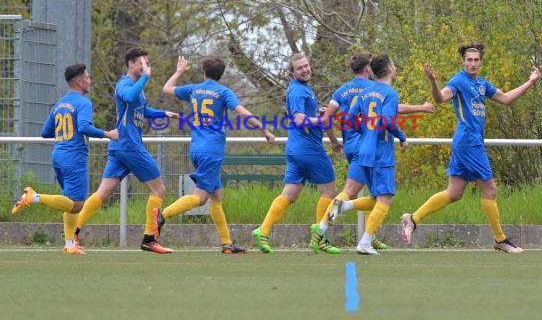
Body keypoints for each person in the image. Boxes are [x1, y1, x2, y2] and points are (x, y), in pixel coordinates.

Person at [400, 44, 541, 253]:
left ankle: (413, 218)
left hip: (465, 142)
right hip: (469, 143)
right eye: (469, 60)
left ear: (480, 62)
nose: (473, 63)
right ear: (463, 62)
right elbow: (440, 98)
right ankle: (500, 239)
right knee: (490, 189)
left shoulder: (482, 84)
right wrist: (432, 81)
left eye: (476, 60)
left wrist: (530, 81)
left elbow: (505, 98)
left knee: (454, 193)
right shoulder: (458, 81)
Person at [152, 56, 275, 254]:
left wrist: (179, 71)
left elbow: (166, 88)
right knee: (200, 198)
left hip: (197, 149)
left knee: (217, 196)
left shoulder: (194, 89)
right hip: (212, 151)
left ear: (204, 72)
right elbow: (243, 113)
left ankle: (227, 243)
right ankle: (162, 214)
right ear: (221, 74)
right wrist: (265, 130)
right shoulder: (223, 92)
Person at [316, 53, 434, 251]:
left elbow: (349, 119)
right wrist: (402, 137)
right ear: (389, 69)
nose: (395, 67)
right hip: (381, 152)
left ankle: (344, 207)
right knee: (385, 198)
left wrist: (365, 133)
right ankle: (365, 242)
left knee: (376, 197)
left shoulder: (366, 92)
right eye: (394, 64)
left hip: (364, 150)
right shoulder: (389, 93)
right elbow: (387, 121)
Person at [74, 48, 178, 254]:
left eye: (147, 63)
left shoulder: (137, 86)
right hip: (130, 146)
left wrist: (163, 113)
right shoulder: (124, 84)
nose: (146, 67)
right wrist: (146, 77)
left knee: (102, 194)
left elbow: (142, 110)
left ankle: (72, 233)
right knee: (159, 190)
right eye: (142, 63)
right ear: (131, 64)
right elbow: (129, 97)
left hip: (120, 147)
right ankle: (150, 238)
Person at [11, 64, 118, 254]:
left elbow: (45, 133)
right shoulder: (83, 103)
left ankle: (69, 245)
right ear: (79, 81)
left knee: (69, 202)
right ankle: (33, 197)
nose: (89, 80)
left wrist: (64, 134)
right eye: (87, 77)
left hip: (58, 156)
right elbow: (84, 127)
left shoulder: (59, 104)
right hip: (74, 157)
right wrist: (108, 134)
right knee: (77, 204)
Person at [252, 53, 342, 254]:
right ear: (292, 72)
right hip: (309, 150)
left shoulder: (300, 89)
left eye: (306, 65)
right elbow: (300, 120)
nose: (305, 69)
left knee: (289, 195)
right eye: (300, 68)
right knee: (329, 192)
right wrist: (322, 120)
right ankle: (319, 237)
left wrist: (318, 113)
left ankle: (262, 230)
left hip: (294, 149)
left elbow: (303, 115)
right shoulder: (298, 91)